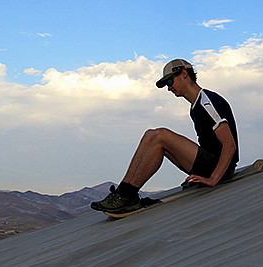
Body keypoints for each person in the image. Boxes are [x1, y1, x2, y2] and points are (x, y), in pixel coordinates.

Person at [91, 59, 239, 213]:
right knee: (150, 134)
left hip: (220, 169)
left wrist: (213, 179)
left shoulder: (207, 102)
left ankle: (129, 196)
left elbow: (230, 145)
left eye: (170, 81)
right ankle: (122, 192)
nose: (169, 88)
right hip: (211, 166)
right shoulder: (195, 107)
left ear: (183, 74)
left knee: (160, 136)